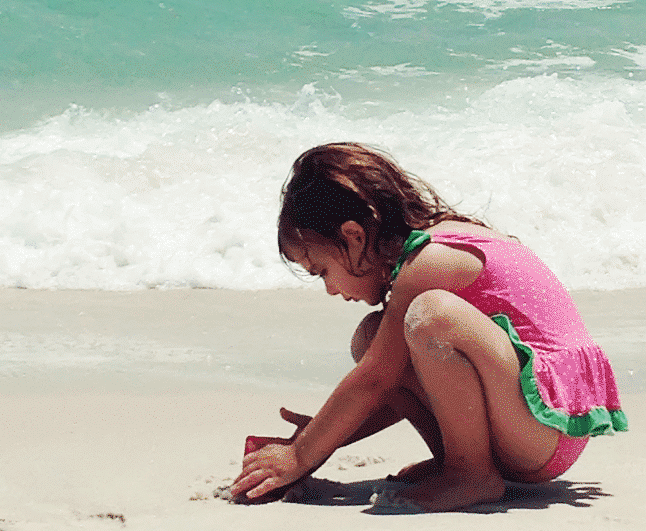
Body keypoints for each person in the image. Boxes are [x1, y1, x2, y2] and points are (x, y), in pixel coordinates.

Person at [232, 143, 626, 512]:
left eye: (323, 272)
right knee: (373, 335)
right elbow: (389, 390)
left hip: (547, 429)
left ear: (353, 236)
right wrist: (317, 438)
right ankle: (462, 462)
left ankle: (471, 473)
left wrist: (300, 456)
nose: (331, 290)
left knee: (431, 316)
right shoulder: (421, 255)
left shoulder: (430, 262)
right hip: (524, 425)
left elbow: (375, 379)